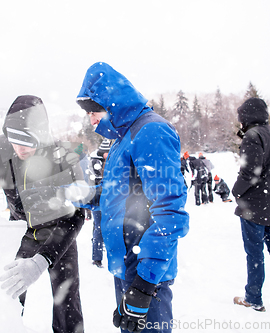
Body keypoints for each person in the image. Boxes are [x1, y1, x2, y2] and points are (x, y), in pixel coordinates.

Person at [76, 62, 189, 333]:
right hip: (129, 262)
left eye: (95, 110)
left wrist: (145, 284)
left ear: (113, 102)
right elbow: (122, 193)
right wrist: (84, 195)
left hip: (146, 268)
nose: (91, 119)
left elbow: (169, 211)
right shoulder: (122, 139)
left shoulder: (150, 131)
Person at [0, 95, 87, 333]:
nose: (20, 147)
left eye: (27, 140)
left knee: (67, 301)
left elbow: (75, 215)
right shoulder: (0, 150)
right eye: (14, 139)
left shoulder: (60, 155)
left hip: (59, 233)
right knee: (10, 294)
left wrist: (43, 260)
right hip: (21, 230)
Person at [231, 97, 270, 312]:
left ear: (246, 117)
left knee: (255, 253)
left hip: (255, 208)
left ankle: (253, 298)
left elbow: (250, 172)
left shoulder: (252, 136)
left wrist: (235, 191)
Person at [89, 138, 111, 268]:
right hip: (98, 199)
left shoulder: (109, 162)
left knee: (100, 226)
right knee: (99, 227)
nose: (107, 155)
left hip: (108, 199)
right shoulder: (96, 163)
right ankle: (97, 258)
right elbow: (94, 182)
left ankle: (97, 246)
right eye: (106, 153)